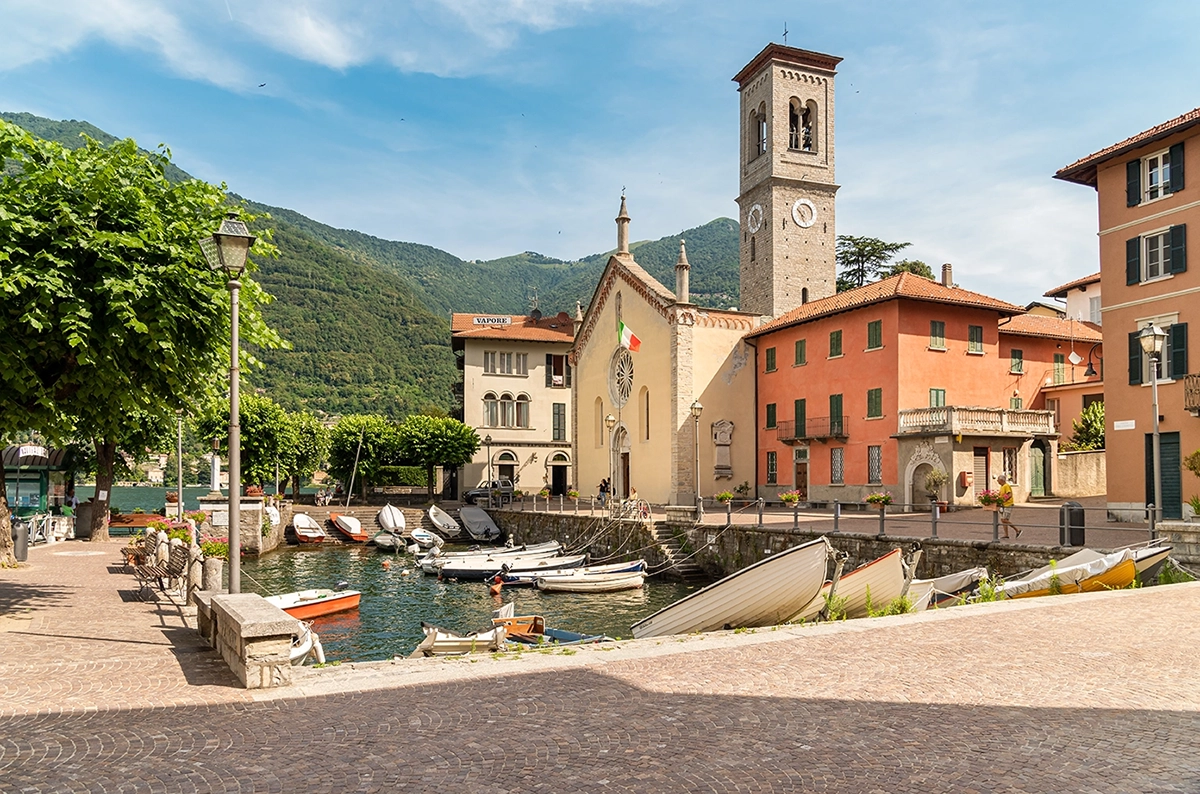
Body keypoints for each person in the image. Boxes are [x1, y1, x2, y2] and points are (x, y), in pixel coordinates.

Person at [997, 474, 1021, 539]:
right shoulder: (1002, 486)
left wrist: (1003, 500)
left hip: (1007, 505)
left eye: (998, 480)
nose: (997, 481)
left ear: (1001, 480)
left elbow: (1009, 494)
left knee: (1004, 520)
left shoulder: (1006, 486)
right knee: (1003, 520)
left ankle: (1017, 530)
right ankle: (1006, 534)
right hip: (1003, 505)